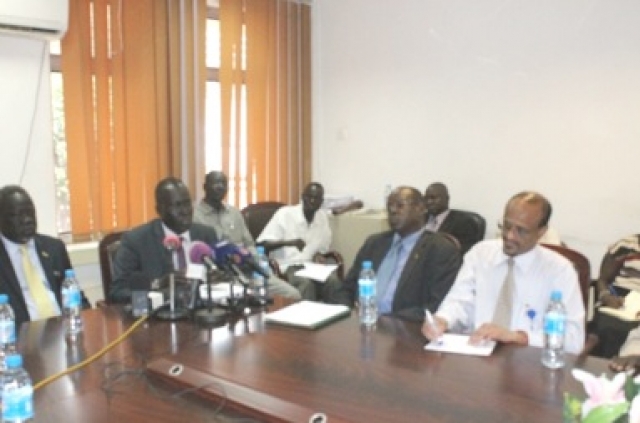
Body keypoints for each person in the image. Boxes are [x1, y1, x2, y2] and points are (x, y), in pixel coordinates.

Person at [422, 191, 585, 353]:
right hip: (475, 355)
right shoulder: (480, 254)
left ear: (541, 232)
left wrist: (518, 337)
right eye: (506, 226)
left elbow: (573, 339)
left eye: (521, 231)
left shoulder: (560, 270)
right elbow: (459, 302)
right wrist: (442, 320)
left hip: (526, 365)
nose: (509, 236)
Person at [330, 186, 462, 321]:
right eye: (389, 206)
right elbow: (346, 288)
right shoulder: (375, 243)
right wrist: (346, 313)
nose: (393, 211)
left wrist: (385, 319)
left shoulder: (440, 250)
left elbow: (437, 306)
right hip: (361, 323)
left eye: (400, 205)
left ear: (421, 209)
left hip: (404, 330)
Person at [193, 171, 301, 300]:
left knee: (293, 295)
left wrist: (255, 262)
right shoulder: (195, 216)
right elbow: (197, 255)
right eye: (216, 183)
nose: (220, 187)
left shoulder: (234, 213)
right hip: (222, 278)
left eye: (224, 183)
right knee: (250, 301)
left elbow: (249, 244)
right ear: (205, 187)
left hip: (250, 270)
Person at [110, 177, 218, 304]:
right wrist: (158, 284)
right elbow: (117, 292)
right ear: (159, 210)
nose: (185, 211)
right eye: (177, 206)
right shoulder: (136, 241)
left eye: (187, 203)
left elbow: (221, 277)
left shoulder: (206, 234)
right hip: (160, 317)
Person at [0, 185, 82, 329]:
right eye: (17, 215)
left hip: (64, 332)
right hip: (17, 340)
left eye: (30, 212)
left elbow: (75, 295)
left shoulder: (54, 247)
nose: (27, 220)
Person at [257, 182, 331, 301]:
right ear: (302, 197)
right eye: (309, 197)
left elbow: (323, 248)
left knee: (334, 282)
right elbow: (262, 245)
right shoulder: (285, 214)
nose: (312, 201)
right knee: (306, 284)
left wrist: (319, 255)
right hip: (288, 266)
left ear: (321, 202)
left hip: (311, 267)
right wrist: (288, 242)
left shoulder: (322, 218)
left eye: (316, 198)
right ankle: (306, 318)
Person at [588, 235, 640, 358]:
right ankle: (601, 370)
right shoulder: (626, 245)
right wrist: (606, 297)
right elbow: (602, 280)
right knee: (608, 326)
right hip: (619, 300)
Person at [423, 182, 483, 254]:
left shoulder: (463, 222)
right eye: (426, 198)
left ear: (447, 199)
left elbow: (466, 251)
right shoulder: (420, 219)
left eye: (434, 198)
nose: (429, 202)